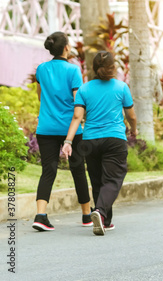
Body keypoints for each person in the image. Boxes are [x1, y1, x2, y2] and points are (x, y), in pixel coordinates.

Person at [62, 51, 138, 236]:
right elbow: (132, 115)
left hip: (90, 141)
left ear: (94, 68)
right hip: (114, 139)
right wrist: (134, 130)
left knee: (97, 180)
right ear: (114, 67)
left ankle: (105, 220)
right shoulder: (121, 87)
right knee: (112, 179)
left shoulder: (84, 89)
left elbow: (77, 117)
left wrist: (68, 141)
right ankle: (100, 212)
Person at [33, 32, 92, 231]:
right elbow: (79, 102)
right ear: (66, 47)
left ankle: (40, 216)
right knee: (78, 170)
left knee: (47, 171)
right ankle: (86, 215)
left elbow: (40, 97)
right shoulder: (73, 71)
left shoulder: (41, 69)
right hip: (72, 130)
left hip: (46, 128)